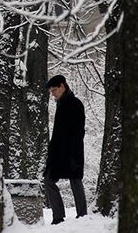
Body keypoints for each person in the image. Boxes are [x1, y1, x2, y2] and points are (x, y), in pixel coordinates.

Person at [43, 75, 87, 224]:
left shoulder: (75, 104)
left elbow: (78, 132)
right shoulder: (60, 104)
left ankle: (82, 216)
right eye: (51, 91)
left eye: (54, 90)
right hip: (58, 154)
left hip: (72, 153)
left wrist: (72, 154)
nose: (52, 93)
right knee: (48, 180)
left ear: (63, 86)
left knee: (75, 181)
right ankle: (58, 217)